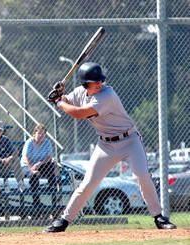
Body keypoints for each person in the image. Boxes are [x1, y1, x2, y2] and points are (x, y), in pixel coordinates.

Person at [44, 62, 176, 232]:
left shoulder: (107, 95)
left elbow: (78, 113)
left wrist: (58, 101)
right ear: (85, 84)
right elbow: (68, 101)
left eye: (100, 80)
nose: (99, 83)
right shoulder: (79, 92)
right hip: (105, 145)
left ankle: (159, 217)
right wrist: (60, 94)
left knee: (142, 175)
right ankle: (64, 220)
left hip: (129, 141)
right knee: (88, 183)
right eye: (95, 81)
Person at [21, 124, 57, 207]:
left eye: (43, 134)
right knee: (34, 175)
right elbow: (26, 158)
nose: (41, 135)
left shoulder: (47, 142)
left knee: (51, 165)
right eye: (39, 133)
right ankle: (36, 202)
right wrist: (32, 169)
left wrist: (40, 163)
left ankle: (52, 187)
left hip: (40, 165)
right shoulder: (29, 142)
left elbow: (49, 157)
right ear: (34, 134)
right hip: (26, 166)